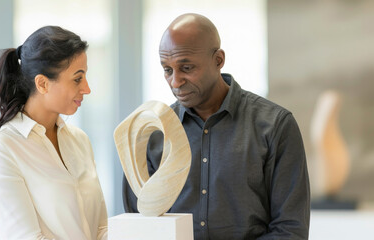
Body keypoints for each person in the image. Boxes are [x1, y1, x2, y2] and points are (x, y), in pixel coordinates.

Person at [123, 13, 310, 239]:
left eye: (187, 68)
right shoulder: (152, 134)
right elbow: (139, 225)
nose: (175, 82)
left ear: (218, 60)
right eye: (167, 70)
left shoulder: (275, 126)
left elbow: (290, 229)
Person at [0, 26, 107, 240]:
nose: (87, 88)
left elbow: (101, 229)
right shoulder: (1, 152)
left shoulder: (80, 141)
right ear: (42, 83)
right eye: (77, 78)